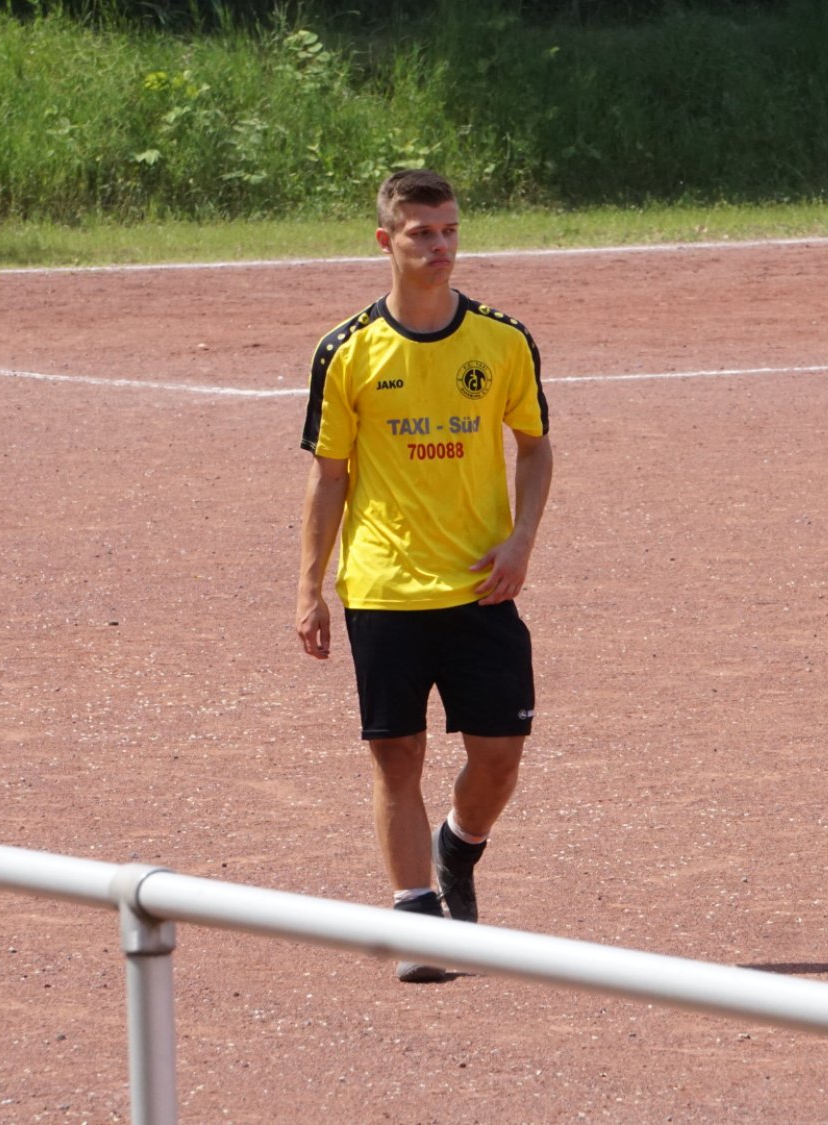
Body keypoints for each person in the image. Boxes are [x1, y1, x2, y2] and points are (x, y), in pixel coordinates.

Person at [295, 170, 553, 983]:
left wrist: (521, 542)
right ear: (386, 241)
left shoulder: (503, 341)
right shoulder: (347, 351)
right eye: (421, 233)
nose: (440, 246)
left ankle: (458, 845)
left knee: (501, 754)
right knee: (396, 754)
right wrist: (310, 588)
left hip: (481, 584)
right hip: (383, 587)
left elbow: (534, 448)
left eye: (449, 230)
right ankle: (415, 916)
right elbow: (329, 476)